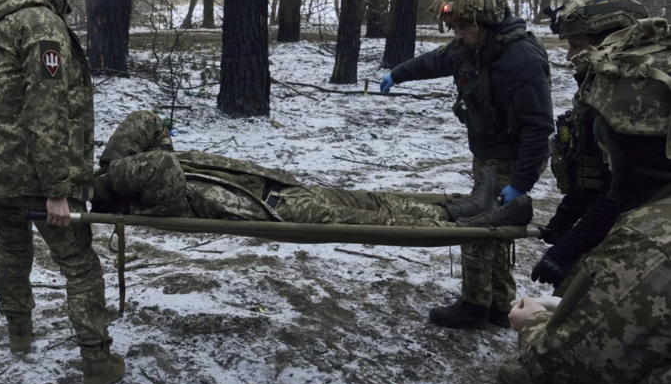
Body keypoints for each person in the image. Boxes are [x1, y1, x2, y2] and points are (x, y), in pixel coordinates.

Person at [0, 0, 124, 384]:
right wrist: (56, 189)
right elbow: (44, 111)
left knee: (13, 250)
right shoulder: (41, 24)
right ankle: (96, 364)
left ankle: (19, 335)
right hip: (31, 175)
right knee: (79, 264)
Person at [500, 17, 671, 384]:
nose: (604, 154)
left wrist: (532, 323)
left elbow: (566, 367)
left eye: (609, 140)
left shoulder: (651, 241)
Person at [379, 0, 554, 328]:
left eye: (464, 26)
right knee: (495, 234)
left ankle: (475, 307)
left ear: (486, 21)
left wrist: (520, 183)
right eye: (453, 26)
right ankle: (500, 306)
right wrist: (397, 75)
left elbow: (538, 127)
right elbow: (435, 61)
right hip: (487, 155)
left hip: (511, 158)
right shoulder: (472, 46)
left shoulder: (521, 59)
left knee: (476, 230)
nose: (457, 33)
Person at [92, 111, 534, 230]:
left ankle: (459, 207)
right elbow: (163, 162)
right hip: (276, 212)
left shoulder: (136, 174)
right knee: (375, 220)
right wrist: (111, 182)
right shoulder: (153, 198)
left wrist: (109, 168)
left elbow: (147, 120)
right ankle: (469, 219)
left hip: (279, 187)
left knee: (370, 200)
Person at [532, 0, 649, 293]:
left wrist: (568, 247)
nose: (569, 56)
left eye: (576, 46)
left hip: (635, 240)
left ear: (612, 42)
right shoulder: (601, 89)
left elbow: (627, 192)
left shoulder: (639, 103)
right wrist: (565, 218)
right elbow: (595, 175)